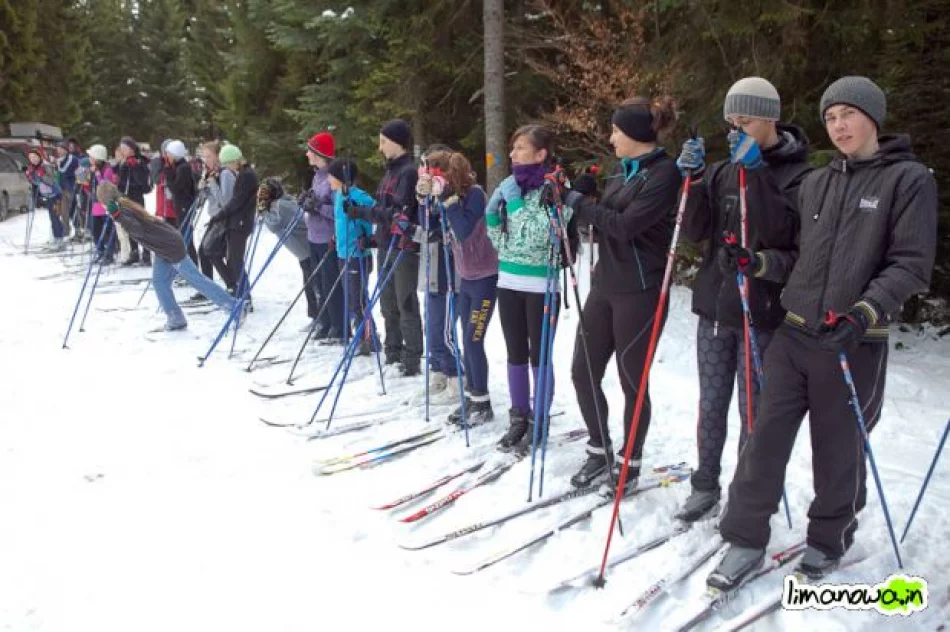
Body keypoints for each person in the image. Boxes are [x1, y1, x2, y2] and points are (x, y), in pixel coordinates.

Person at [708, 76, 938, 589]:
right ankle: (744, 537)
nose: (839, 126)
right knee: (763, 439)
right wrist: (759, 261)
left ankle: (828, 539)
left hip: (851, 341)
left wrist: (864, 312)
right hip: (794, 334)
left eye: (848, 114)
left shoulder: (908, 180)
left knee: (837, 449)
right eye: (831, 118)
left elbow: (910, 265)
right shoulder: (818, 181)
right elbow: (798, 258)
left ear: (873, 117)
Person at [673, 78, 812, 520]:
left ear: (770, 118)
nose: (737, 129)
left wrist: (756, 174)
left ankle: (745, 492)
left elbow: (779, 235)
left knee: (754, 411)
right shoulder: (722, 170)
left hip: (763, 312)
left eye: (746, 120)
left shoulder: (800, 175)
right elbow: (697, 232)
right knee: (711, 402)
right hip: (716, 306)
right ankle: (705, 482)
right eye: (732, 121)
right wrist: (693, 180)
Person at [558, 97, 682, 489]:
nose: (610, 138)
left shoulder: (664, 174)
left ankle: (630, 463)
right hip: (606, 284)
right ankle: (599, 449)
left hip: (641, 290)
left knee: (633, 381)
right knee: (582, 371)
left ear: (634, 134)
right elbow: (603, 221)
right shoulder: (621, 171)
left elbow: (626, 226)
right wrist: (584, 196)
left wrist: (579, 204)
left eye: (615, 130)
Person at [485, 124, 578, 452]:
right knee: (514, 354)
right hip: (508, 280)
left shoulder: (556, 187)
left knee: (539, 356)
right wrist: (495, 221)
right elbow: (502, 237)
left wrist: (512, 208)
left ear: (540, 154)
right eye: (512, 148)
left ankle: (540, 419)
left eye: (520, 148)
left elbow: (539, 234)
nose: (512, 154)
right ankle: (519, 417)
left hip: (541, 283)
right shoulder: (513, 187)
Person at [419, 150, 500, 426]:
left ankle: (482, 401)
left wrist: (449, 201)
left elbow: (464, 230)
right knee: (466, 339)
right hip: (466, 278)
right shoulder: (450, 197)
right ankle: (473, 397)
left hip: (485, 277)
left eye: (442, 175)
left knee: (474, 340)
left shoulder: (475, 194)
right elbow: (433, 226)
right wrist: (427, 199)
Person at [96, 181, 240, 332]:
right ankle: (175, 318)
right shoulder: (122, 204)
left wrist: (118, 217)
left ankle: (233, 306)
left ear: (105, 202)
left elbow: (137, 230)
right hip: (163, 247)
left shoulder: (122, 210)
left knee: (197, 280)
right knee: (160, 282)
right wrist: (117, 215)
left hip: (170, 246)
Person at [351, 119, 423, 376]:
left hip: (403, 247)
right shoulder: (390, 172)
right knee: (387, 302)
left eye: (383, 141)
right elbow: (385, 214)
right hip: (386, 245)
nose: (380, 147)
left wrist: (363, 213)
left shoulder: (408, 172)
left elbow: (397, 212)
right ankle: (393, 352)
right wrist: (373, 239)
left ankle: (412, 357)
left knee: (405, 302)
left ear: (397, 142)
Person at [329, 158, 377, 355]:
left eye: (331, 176)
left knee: (358, 299)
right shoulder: (338, 195)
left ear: (342, 178)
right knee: (351, 298)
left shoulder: (361, 197)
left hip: (358, 254)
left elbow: (375, 217)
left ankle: (368, 338)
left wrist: (368, 237)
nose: (328, 180)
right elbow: (340, 221)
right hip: (343, 252)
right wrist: (336, 236)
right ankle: (363, 335)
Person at [256, 178, 320, 320]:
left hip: (306, 248)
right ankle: (315, 316)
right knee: (309, 282)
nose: (261, 197)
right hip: (302, 250)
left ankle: (320, 316)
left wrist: (263, 211)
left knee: (313, 283)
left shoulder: (281, 205)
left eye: (264, 194)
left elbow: (274, 225)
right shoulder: (277, 204)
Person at [303, 132, 345, 338]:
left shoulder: (333, 176)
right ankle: (325, 321)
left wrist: (318, 207)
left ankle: (338, 324)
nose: (307, 154)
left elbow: (339, 211)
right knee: (318, 281)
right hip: (314, 236)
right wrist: (307, 202)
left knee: (330, 283)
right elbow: (315, 203)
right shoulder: (316, 175)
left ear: (319, 154)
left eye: (310, 151)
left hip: (329, 238)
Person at [207, 144, 258, 296]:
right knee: (232, 260)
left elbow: (237, 201)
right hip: (237, 222)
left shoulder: (246, 175)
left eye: (228, 163)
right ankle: (239, 292)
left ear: (235, 160)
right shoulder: (243, 173)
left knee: (236, 262)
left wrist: (220, 215)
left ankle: (245, 296)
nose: (228, 167)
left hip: (240, 224)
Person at [195, 140, 234, 288]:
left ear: (218, 156)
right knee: (206, 252)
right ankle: (211, 287)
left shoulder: (225, 174)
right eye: (204, 157)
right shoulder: (213, 173)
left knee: (212, 253)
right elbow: (212, 199)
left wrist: (212, 183)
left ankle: (231, 286)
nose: (206, 160)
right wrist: (204, 189)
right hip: (215, 217)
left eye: (209, 156)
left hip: (224, 220)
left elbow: (225, 201)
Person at [116, 136, 153, 266]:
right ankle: (135, 251)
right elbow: (120, 182)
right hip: (126, 197)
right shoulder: (123, 162)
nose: (122, 151)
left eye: (124, 149)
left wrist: (135, 168)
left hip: (136, 197)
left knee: (140, 224)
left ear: (131, 149)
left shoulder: (139, 162)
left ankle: (147, 252)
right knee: (129, 224)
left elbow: (143, 184)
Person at [163, 139, 199, 264]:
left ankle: (192, 266)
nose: (167, 156)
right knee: (184, 237)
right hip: (181, 206)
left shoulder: (183, 168)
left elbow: (176, 189)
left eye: (169, 154)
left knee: (186, 238)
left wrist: (168, 174)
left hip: (184, 206)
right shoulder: (179, 167)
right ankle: (189, 266)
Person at [25, 149, 65, 250]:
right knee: (52, 217)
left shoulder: (46, 165)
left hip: (56, 194)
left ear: (39, 156)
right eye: (30, 158)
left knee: (55, 217)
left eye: (34, 157)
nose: (33, 159)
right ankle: (56, 238)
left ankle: (60, 240)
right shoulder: (33, 167)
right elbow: (37, 183)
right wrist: (30, 177)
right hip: (47, 195)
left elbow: (52, 180)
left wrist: (42, 175)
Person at [86, 144, 118, 263]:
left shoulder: (107, 169)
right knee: (95, 229)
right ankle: (99, 250)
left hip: (106, 204)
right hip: (96, 203)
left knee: (107, 229)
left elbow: (105, 185)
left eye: (91, 157)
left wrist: (98, 175)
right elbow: (91, 186)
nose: (90, 159)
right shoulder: (94, 169)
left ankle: (109, 253)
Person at [54, 141, 80, 239]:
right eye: (58, 149)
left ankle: (77, 230)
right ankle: (66, 231)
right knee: (63, 211)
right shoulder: (59, 160)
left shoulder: (73, 159)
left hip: (71, 188)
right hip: (61, 189)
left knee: (73, 210)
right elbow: (58, 174)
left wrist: (78, 186)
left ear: (66, 150)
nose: (59, 151)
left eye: (61, 149)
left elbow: (79, 172)